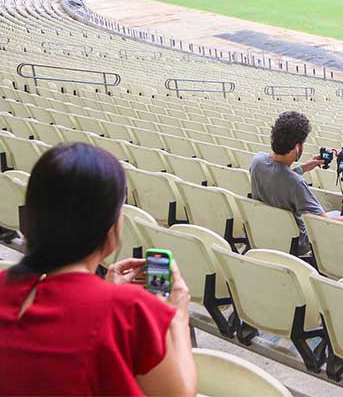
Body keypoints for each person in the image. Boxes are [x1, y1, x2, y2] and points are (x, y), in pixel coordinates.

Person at [0, 143, 196, 396]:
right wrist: (178, 316)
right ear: (110, 225)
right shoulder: (129, 310)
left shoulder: (5, 283)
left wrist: (105, 291)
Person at [250, 111, 343, 256]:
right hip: (296, 243)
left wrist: (304, 167)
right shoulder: (296, 184)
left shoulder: (257, 160)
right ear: (297, 148)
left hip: (266, 229)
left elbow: (277, 176)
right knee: (338, 214)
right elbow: (324, 222)